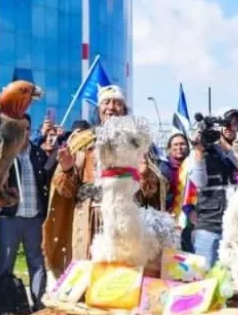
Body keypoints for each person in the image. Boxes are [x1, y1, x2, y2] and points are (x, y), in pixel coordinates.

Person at [43, 86, 165, 275]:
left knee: (123, 271)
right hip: (87, 220)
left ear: (124, 110)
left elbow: (150, 192)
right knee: (88, 274)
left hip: (125, 218)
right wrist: (67, 169)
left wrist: (145, 174)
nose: (111, 107)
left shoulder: (136, 143)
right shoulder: (82, 142)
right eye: (106, 102)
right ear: (98, 109)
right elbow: (66, 190)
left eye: (117, 103)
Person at [0, 114, 54, 310]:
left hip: (34, 219)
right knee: (5, 263)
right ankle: (4, 306)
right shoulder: (4, 155)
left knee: (37, 263)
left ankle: (39, 303)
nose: (23, 132)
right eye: (19, 128)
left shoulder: (39, 154)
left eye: (27, 128)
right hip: (10, 218)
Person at [189, 108, 238, 264]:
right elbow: (199, 182)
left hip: (236, 226)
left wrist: (225, 148)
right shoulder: (202, 151)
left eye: (234, 124)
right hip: (209, 226)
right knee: (207, 276)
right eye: (226, 124)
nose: (229, 128)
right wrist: (199, 150)